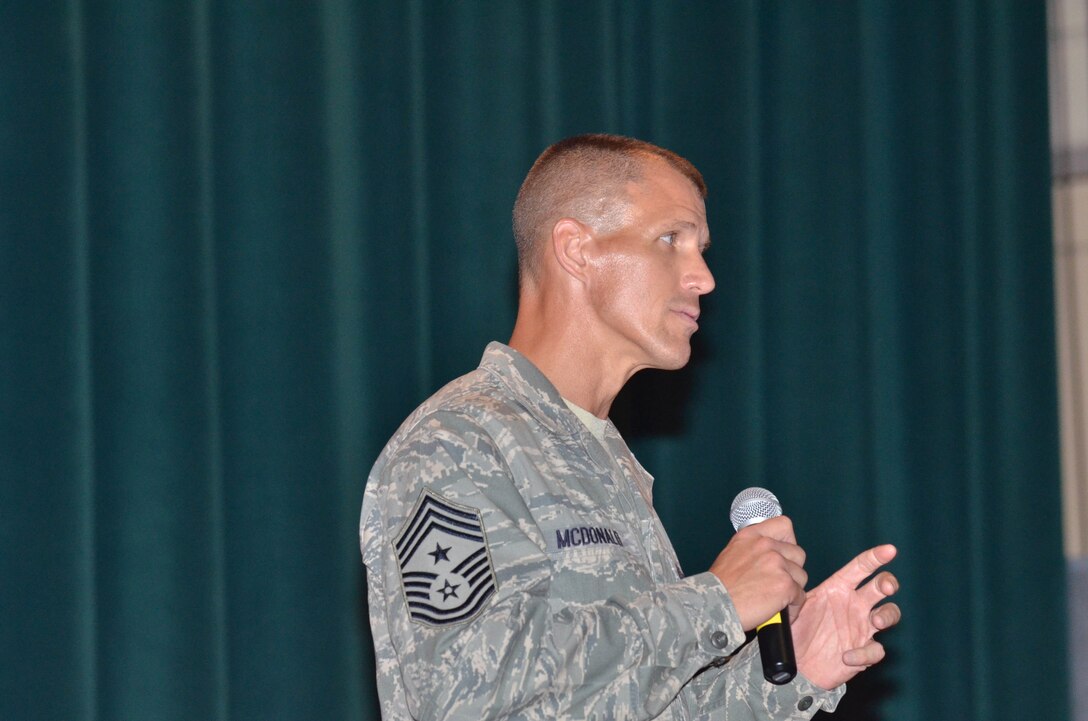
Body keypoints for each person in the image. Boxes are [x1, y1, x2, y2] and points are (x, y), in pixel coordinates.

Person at [360, 134, 900, 720]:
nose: (704, 277)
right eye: (671, 239)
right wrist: (716, 603)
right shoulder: (459, 440)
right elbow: (467, 696)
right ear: (575, 249)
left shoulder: (605, 459)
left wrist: (795, 674)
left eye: (702, 248)